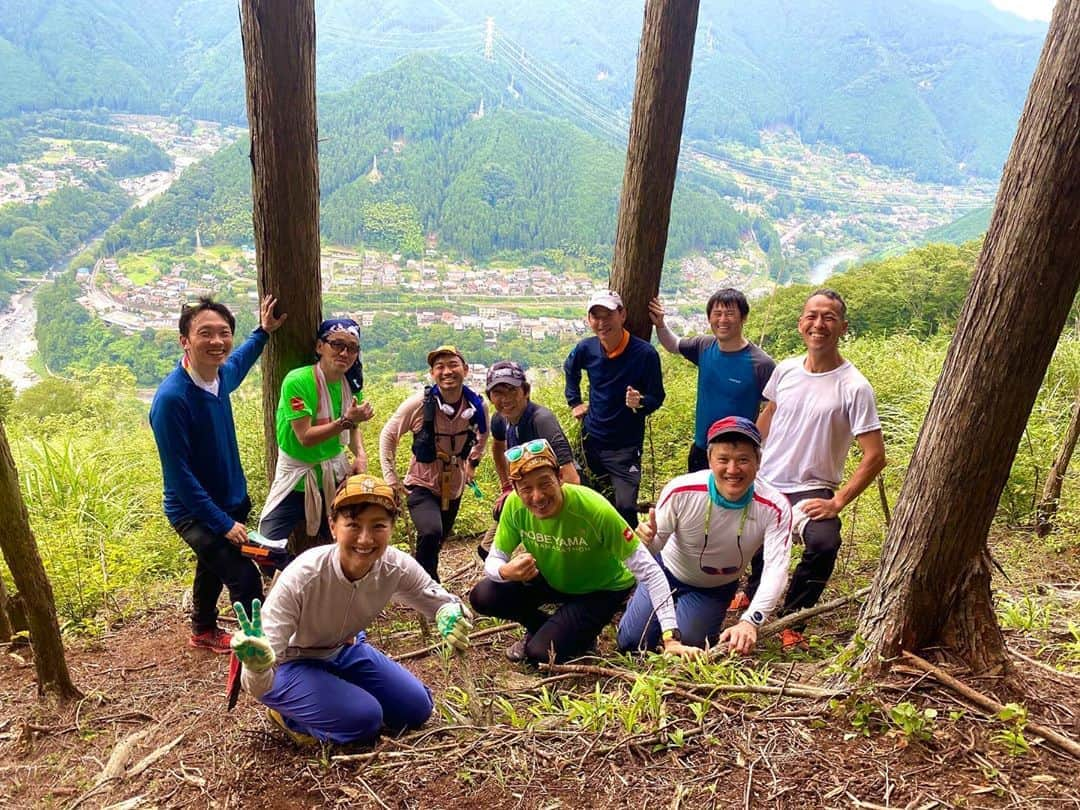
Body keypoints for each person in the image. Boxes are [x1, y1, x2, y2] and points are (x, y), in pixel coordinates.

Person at [229, 474, 472, 747]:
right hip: (291, 662)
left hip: (344, 649)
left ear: (391, 527)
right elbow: (259, 681)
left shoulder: (395, 567)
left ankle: (333, 692)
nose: (365, 539)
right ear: (333, 526)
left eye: (378, 525)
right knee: (364, 720)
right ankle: (289, 717)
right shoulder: (304, 576)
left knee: (417, 709)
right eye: (353, 525)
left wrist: (451, 613)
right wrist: (257, 667)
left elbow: (442, 602)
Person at [468, 439, 700, 664]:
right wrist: (506, 570)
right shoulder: (515, 506)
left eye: (545, 483)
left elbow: (650, 571)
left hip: (600, 589)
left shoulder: (592, 508)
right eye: (526, 488)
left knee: (539, 653)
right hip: (554, 579)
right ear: (516, 490)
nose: (537, 497)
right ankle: (545, 627)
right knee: (484, 595)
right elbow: (494, 559)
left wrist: (671, 637)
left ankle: (575, 635)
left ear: (560, 478)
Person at [746, 289, 886, 650]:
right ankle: (752, 592)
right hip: (767, 479)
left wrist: (837, 501)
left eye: (828, 317)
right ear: (800, 324)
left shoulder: (854, 387)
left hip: (813, 488)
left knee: (824, 543)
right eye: (811, 316)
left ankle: (794, 617)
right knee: (757, 541)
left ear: (843, 327)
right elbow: (771, 413)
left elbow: (874, 455)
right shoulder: (787, 370)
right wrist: (749, 456)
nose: (818, 324)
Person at [149, 295, 286, 653]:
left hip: (230, 502)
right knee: (245, 580)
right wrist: (222, 524)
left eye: (223, 333)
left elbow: (238, 361)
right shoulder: (172, 400)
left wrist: (263, 332)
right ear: (185, 341)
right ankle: (257, 647)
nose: (217, 342)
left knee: (211, 567)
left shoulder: (219, 377)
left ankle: (203, 630)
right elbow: (178, 476)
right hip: (193, 513)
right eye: (205, 333)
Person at [617, 417, 791, 655]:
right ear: (709, 460)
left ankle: (687, 617)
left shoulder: (774, 507)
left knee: (691, 645)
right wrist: (647, 542)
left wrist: (751, 620)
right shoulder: (682, 491)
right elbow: (655, 547)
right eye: (723, 459)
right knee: (631, 644)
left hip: (714, 588)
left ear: (758, 461)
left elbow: (776, 568)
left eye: (743, 460)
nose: (732, 470)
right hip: (666, 573)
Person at [258, 318, 374, 547]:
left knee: (344, 542)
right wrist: (346, 421)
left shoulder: (351, 386)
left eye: (352, 348)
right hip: (297, 477)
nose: (344, 353)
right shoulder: (298, 381)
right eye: (337, 344)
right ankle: (291, 579)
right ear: (320, 346)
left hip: (334, 475)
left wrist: (360, 454)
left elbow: (353, 429)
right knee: (265, 547)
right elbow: (305, 437)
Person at [379, 345, 488, 581]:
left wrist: (472, 463)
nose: (447, 371)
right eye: (440, 367)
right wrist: (392, 480)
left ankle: (415, 581)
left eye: (453, 365)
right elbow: (388, 436)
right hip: (421, 482)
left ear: (465, 370)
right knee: (431, 531)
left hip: (454, 484)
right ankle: (428, 588)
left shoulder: (477, 406)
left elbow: (483, 435)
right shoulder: (419, 404)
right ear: (432, 373)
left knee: (436, 540)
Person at [564, 291, 665, 526]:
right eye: (595, 316)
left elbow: (657, 396)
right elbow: (570, 369)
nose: (601, 323)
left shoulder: (645, 354)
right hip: (591, 441)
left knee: (625, 508)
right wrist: (575, 402)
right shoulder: (586, 349)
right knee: (589, 502)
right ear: (589, 320)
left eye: (608, 315)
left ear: (622, 315)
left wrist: (640, 403)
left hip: (625, 446)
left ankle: (629, 557)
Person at [649, 290, 775, 473]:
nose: (722, 320)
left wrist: (755, 445)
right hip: (702, 448)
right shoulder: (704, 346)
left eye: (730, 314)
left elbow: (772, 410)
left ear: (744, 317)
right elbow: (673, 345)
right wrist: (660, 324)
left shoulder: (761, 364)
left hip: (737, 456)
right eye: (717, 314)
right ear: (709, 318)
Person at [487, 358, 578, 508]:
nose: (506, 399)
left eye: (512, 390)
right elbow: (497, 447)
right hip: (528, 489)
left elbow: (572, 478)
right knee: (501, 510)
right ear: (490, 397)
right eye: (498, 393)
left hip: (557, 494)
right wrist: (506, 487)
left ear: (526, 391)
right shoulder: (499, 419)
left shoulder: (542, 420)